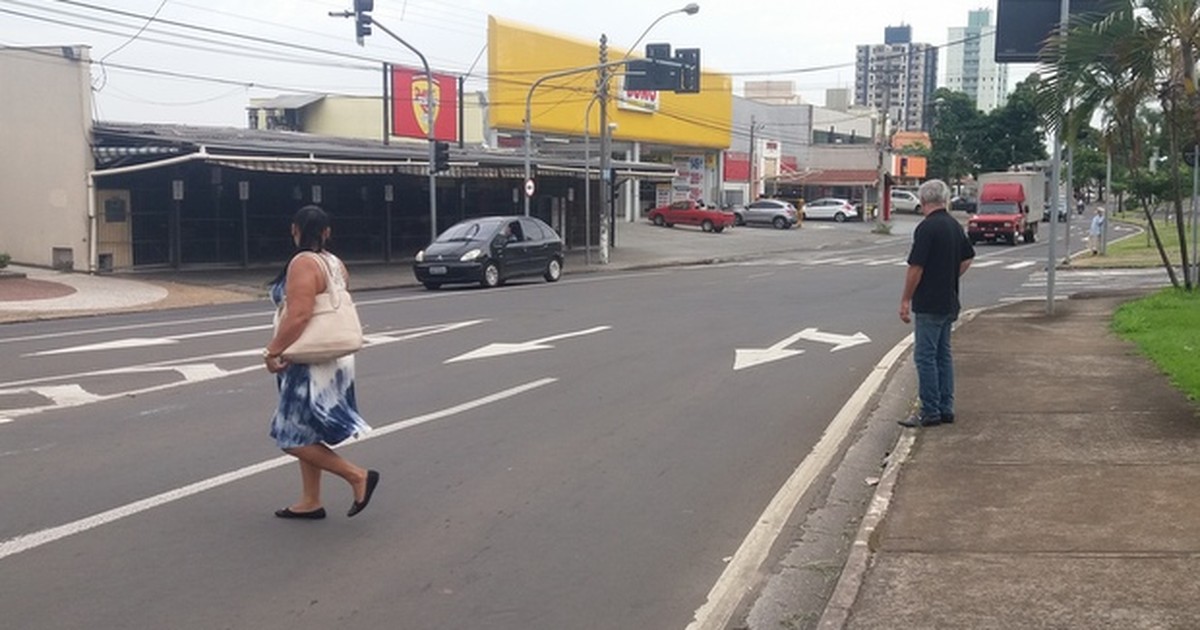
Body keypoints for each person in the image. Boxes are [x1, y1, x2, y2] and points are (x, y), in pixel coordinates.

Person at [262, 205, 379, 519]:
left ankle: (357, 476)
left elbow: (300, 315)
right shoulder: (335, 263)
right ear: (327, 232)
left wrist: (272, 351)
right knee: (307, 432)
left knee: (289, 435)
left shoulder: (303, 263)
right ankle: (310, 500)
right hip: (332, 358)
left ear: (295, 230)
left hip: (306, 360)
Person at [898, 180, 975, 428]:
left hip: (929, 301)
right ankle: (945, 407)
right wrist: (949, 275)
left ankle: (929, 409)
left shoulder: (927, 228)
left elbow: (915, 268)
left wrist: (906, 299)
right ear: (945, 199)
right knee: (943, 355)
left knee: (925, 356)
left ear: (923, 201)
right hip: (949, 298)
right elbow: (967, 257)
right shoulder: (954, 225)